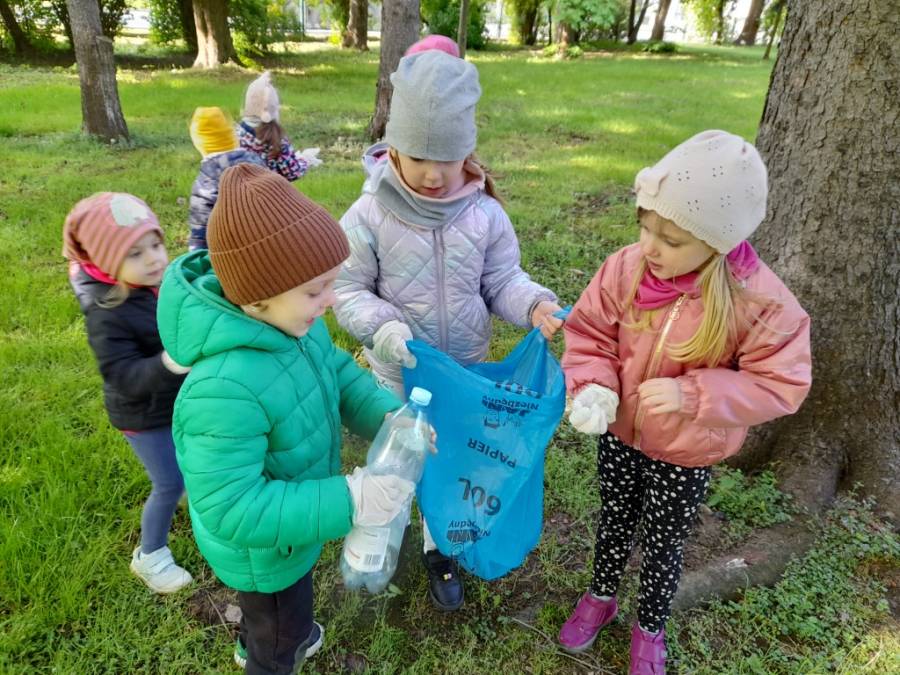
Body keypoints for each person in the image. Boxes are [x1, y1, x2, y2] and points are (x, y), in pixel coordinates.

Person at [558, 130, 812, 674]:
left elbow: (781, 383)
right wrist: (595, 385)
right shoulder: (625, 269)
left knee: (664, 542)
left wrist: (693, 394)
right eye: (644, 226)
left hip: (686, 452)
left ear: (717, 242)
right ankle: (601, 596)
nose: (649, 247)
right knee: (615, 518)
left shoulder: (759, 302)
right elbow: (589, 333)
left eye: (670, 240)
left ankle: (650, 625)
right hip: (620, 434)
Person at [157, 163, 416, 674]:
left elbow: (336, 373)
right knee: (279, 630)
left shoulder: (294, 324)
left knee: (276, 616)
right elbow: (233, 508)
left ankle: (264, 635)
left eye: (331, 284)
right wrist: (352, 499)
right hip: (265, 553)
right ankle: (272, 651)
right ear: (257, 300)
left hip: (293, 525)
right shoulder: (222, 391)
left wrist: (390, 417)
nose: (330, 301)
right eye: (317, 290)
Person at [334, 50, 564, 612]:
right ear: (393, 147)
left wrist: (533, 304)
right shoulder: (367, 215)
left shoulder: (484, 214)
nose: (434, 175)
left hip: (462, 374)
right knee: (401, 461)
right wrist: (384, 328)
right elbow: (345, 289)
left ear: (469, 151)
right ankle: (383, 532)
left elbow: (501, 279)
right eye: (419, 157)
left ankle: (440, 547)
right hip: (399, 370)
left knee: (452, 460)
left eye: (449, 158)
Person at [63, 192, 193, 594]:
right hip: (142, 416)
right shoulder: (107, 314)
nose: (153, 258)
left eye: (156, 244)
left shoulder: (158, 285)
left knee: (191, 462)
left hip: (173, 403)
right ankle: (150, 556)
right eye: (135, 253)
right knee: (168, 483)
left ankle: (194, 497)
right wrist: (169, 364)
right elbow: (122, 375)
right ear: (106, 262)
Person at [187, 106, 266, 251]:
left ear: (201, 146)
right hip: (270, 237)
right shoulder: (257, 162)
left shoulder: (206, 180)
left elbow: (200, 226)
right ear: (232, 137)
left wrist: (197, 254)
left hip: (234, 249)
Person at [237, 71, 322, 182]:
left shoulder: (236, 134)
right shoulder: (277, 140)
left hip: (240, 192)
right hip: (270, 192)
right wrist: (305, 159)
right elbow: (292, 173)